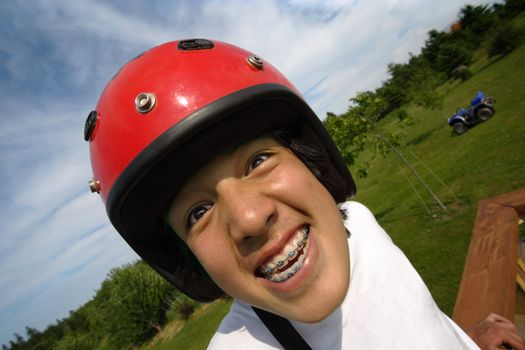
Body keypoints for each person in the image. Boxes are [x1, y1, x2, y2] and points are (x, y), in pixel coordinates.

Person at [84, 39, 524, 349]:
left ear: (312, 161)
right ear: (188, 261)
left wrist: (461, 336)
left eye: (257, 162)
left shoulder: (361, 224)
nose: (250, 219)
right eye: (198, 212)